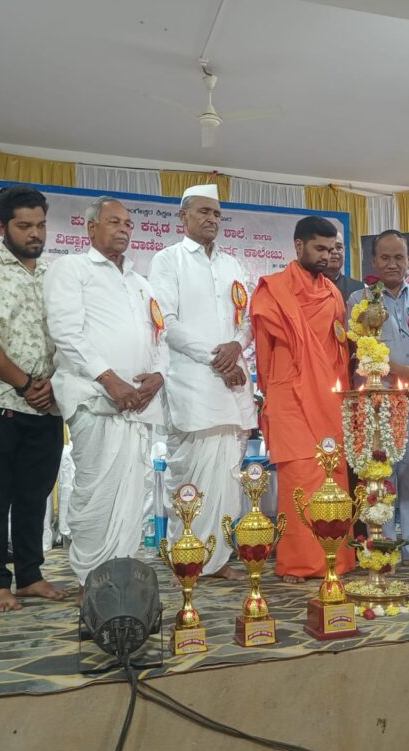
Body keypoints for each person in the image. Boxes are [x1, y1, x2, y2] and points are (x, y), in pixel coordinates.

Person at [44, 196, 166, 601]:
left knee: (133, 495)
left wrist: (158, 376)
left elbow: (160, 336)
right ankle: (90, 579)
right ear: (91, 227)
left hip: (138, 406)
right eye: (114, 221)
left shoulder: (140, 282)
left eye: (128, 224)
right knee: (96, 492)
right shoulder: (72, 269)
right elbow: (66, 332)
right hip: (95, 399)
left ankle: (122, 572)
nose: (124, 229)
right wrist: (110, 379)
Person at [0, 185, 67, 612]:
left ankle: (30, 576)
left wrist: (52, 384)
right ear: (1, 226)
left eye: (40, 225)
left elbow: (68, 336)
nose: (35, 233)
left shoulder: (55, 275)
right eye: (24, 226)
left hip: (47, 401)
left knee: (34, 495)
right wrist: (24, 383)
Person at [148, 184, 252, 581]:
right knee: (191, 474)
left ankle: (218, 558)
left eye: (217, 214)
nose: (212, 219)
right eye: (204, 212)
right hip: (192, 382)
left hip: (232, 381)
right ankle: (188, 555)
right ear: (183, 217)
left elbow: (247, 319)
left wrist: (236, 345)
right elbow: (166, 323)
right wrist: (216, 357)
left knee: (227, 476)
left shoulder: (232, 264)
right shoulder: (167, 260)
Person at [251, 216, 355, 583]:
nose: (327, 256)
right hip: (290, 398)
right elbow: (264, 353)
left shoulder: (333, 294)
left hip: (329, 399)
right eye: (319, 248)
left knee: (332, 476)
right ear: (299, 246)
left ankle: (336, 559)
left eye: (332, 249)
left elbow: (338, 352)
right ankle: (296, 562)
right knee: (299, 478)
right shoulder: (273, 290)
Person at [347, 229, 409, 570]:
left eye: (399, 257)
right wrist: (403, 371)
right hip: (377, 402)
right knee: (379, 477)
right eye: (385, 257)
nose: (392, 264)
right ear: (373, 261)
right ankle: (382, 548)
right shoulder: (359, 299)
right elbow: (361, 347)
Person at [325, 231, 363, 300]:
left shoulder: (359, 289)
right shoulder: (307, 287)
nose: (334, 252)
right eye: (329, 247)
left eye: (339, 247)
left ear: (344, 250)